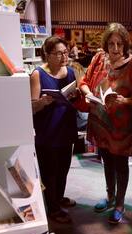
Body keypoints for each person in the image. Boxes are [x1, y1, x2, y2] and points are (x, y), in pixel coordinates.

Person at [74, 23, 132, 224]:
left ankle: (119, 203)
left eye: (119, 44)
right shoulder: (98, 58)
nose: (115, 48)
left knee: (120, 165)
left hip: (122, 127)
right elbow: (84, 81)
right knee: (106, 161)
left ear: (125, 44)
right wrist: (87, 94)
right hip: (100, 121)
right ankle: (110, 196)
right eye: (111, 43)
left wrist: (126, 101)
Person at [30, 36, 80, 223]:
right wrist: (42, 102)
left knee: (63, 168)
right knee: (49, 171)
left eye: (65, 52)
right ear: (47, 55)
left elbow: (73, 99)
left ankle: (58, 198)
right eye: (58, 53)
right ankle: (52, 208)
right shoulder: (37, 74)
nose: (63, 57)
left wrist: (74, 96)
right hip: (47, 132)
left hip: (66, 129)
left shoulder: (70, 72)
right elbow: (31, 107)